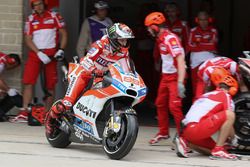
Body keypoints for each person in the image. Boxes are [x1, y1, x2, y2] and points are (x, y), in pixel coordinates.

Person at [45, 23, 135, 134]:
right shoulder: (101, 44)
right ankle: (50, 119)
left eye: (126, 40)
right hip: (85, 73)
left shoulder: (124, 52)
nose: (124, 43)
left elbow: (127, 70)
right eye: (122, 40)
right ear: (113, 39)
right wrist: (93, 70)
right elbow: (86, 60)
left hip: (103, 77)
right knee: (67, 103)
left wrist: (131, 79)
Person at [9, 0, 67, 123]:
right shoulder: (30, 19)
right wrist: (38, 53)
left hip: (51, 55)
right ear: (33, 7)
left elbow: (64, 34)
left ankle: (47, 113)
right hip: (36, 54)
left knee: (50, 84)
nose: (38, 7)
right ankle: (25, 112)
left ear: (44, 4)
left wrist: (61, 50)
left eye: (40, 4)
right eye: (35, 5)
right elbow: (28, 39)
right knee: (28, 81)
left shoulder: (54, 16)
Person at [174, 74, 239, 160]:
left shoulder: (207, 94)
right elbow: (228, 119)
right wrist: (234, 138)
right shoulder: (225, 95)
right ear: (232, 89)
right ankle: (218, 149)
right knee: (230, 114)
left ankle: (185, 142)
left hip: (186, 131)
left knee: (212, 151)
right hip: (196, 128)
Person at [144, 12, 186, 145]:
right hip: (165, 77)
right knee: (160, 103)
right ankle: (163, 132)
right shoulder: (160, 37)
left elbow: (180, 60)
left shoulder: (170, 39)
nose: (148, 31)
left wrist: (180, 82)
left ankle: (183, 137)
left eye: (149, 28)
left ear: (155, 27)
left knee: (174, 107)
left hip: (175, 77)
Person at [188, 11, 218, 101]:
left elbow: (213, 46)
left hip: (209, 63)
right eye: (201, 20)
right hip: (195, 63)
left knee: (209, 86)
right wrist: (206, 46)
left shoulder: (213, 31)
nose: (203, 22)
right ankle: (196, 107)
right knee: (196, 87)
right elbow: (190, 46)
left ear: (209, 20)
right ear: (197, 20)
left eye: (205, 20)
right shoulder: (192, 31)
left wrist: (198, 45)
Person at [0, 52, 22, 121]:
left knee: (11, 96)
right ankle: (27, 108)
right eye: (14, 66)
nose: (12, 69)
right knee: (12, 95)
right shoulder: (1, 64)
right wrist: (8, 90)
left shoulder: (3, 57)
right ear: (11, 62)